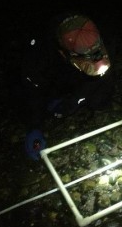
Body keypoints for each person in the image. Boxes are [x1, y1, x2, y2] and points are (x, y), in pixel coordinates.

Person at [20, 12, 114, 160]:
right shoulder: (39, 56)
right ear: (65, 53)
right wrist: (34, 125)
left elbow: (105, 76)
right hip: (57, 75)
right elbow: (32, 91)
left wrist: (78, 98)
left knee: (98, 99)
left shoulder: (97, 32)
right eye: (87, 64)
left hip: (74, 76)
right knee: (48, 100)